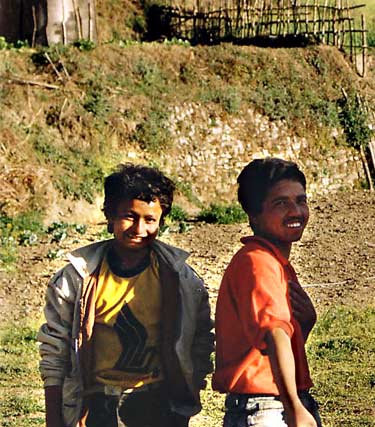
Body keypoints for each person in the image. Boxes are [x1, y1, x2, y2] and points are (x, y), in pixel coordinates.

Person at [38, 164, 214, 427]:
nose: (139, 228)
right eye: (129, 216)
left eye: (150, 220)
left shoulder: (181, 279)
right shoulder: (77, 278)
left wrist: (184, 402)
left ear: (161, 221)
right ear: (109, 215)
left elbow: (200, 340)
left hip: (157, 403)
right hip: (97, 405)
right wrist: (54, 419)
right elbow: (55, 352)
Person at [213, 158, 322, 427]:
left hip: (276, 403)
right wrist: (293, 407)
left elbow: (262, 348)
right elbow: (275, 334)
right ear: (254, 215)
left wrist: (305, 325)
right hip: (268, 409)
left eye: (301, 200)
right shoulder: (258, 262)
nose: (296, 211)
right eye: (281, 203)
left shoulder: (274, 263)